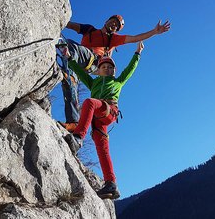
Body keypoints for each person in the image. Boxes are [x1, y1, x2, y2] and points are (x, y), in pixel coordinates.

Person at [63, 41, 145, 199]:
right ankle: (111, 184)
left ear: (114, 72)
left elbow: (129, 70)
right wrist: (68, 58)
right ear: (98, 71)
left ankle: (78, 137)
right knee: (102, 148)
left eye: (110, 67)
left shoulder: (117, 82)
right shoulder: (92, 82)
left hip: (109, 111)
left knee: (89, 102)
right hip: (97, 120)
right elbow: (80, 72)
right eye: (103, 67)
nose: (107, 69)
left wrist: (137, 54)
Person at [58, 15, 170, 131]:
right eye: (113, 22)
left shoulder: (113, 39)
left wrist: (154, 32)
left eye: (117, 26)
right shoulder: (89, 29)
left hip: (92, 61)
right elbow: (68, 24)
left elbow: (135, 38)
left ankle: (69, 71)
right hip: (79, 62)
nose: (114, 25)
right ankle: (73, 121)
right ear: (106, 21)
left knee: (71, 46)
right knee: (68, 82)